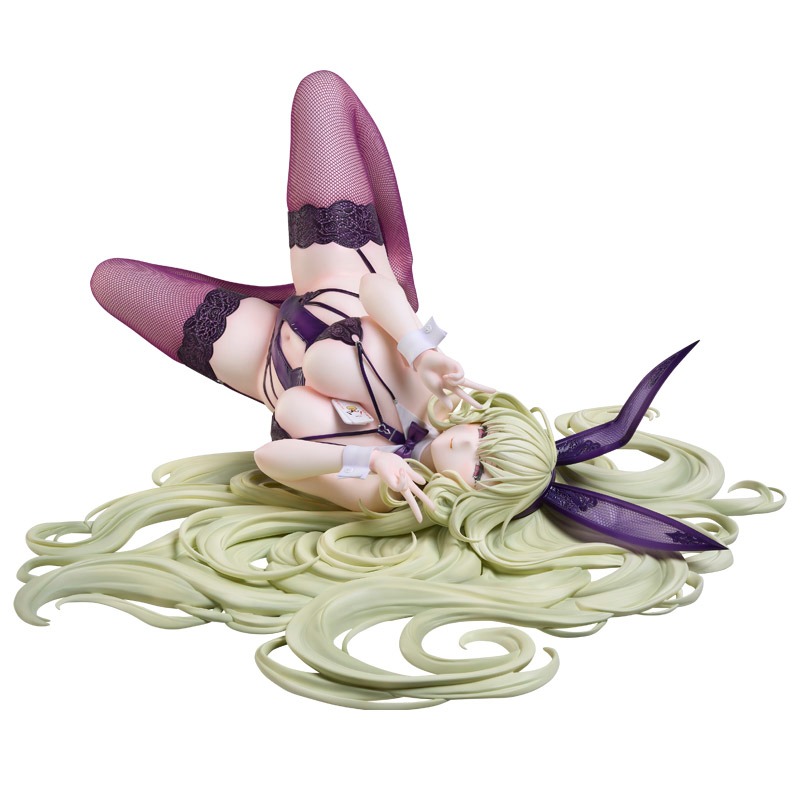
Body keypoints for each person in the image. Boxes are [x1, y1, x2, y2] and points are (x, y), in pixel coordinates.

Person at [15, 71, 784, 708]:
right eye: (488, 438)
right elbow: (378, 289)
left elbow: (272, 458)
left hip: (256, 355)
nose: (468, 441)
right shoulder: (442, 398)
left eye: (478, 466)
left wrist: (361, 462)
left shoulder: (384, 490)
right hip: (337, 269)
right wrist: (419, 344)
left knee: (109, 281)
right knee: (321, 93)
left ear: (468, 502)